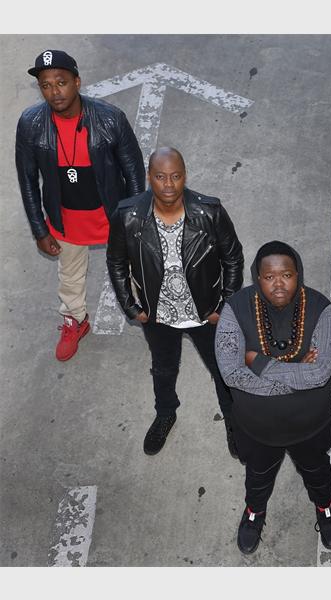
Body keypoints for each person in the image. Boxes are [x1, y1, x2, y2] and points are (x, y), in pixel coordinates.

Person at [106, 147, 244, 458]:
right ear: (149, 177)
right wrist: (132, 307)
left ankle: (233, 421)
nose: (168, 184)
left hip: (206, 313)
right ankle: (166, 413)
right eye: (160, 177)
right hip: (158, 316)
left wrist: (224, 306)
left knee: (222, 369)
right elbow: (116, 262)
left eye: (175, 176)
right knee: (163, 369)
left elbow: (233, 257)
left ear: (185, 176)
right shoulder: (128, 216)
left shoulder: (209, 212)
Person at [214, 241, 331, 555]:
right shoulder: (235, 309)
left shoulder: (321, 309)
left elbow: (320, 373)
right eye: (269, 277)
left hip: (310, 424)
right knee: (257, 477)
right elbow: (232, 374)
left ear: (298, 274)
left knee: (317, 472)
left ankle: (325, 506)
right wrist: (298, 375)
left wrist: (258, 362)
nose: (279, 284)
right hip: (257, 427)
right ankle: (254, 512)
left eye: (286, 275)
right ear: (257, 278)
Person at [15, 49, 145, 361]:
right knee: (70, 275)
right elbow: (27, 180)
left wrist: (134, 218)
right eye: (46, 85)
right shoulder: (31, 124)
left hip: (111, 213)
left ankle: (155, 311)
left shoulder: (110, 118)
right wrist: (39, 230)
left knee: (137, 267)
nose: (54, 91)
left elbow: (133, 171)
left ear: (77, 82)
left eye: (61, 82)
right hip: (66, 217)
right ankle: (75, 320)